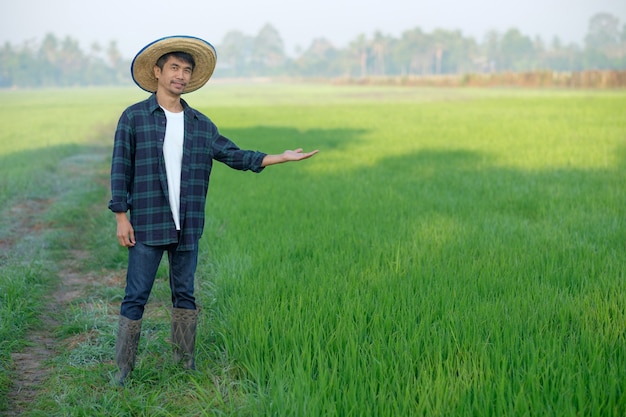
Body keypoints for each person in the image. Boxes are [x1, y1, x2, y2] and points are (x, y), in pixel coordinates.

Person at [108, 35, 318, 386]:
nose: (181, 75)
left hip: (187, 226)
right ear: (158, 71)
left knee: (185, 293)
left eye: (186, 70)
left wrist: (278, 157)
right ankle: (123, 370)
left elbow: (234, 155)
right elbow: (120, 168)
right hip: (146, 222)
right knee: (136, 296)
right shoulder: (134, 118)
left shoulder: (201, 125)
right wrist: (120, 216)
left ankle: (184, 362)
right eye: (174, 68)